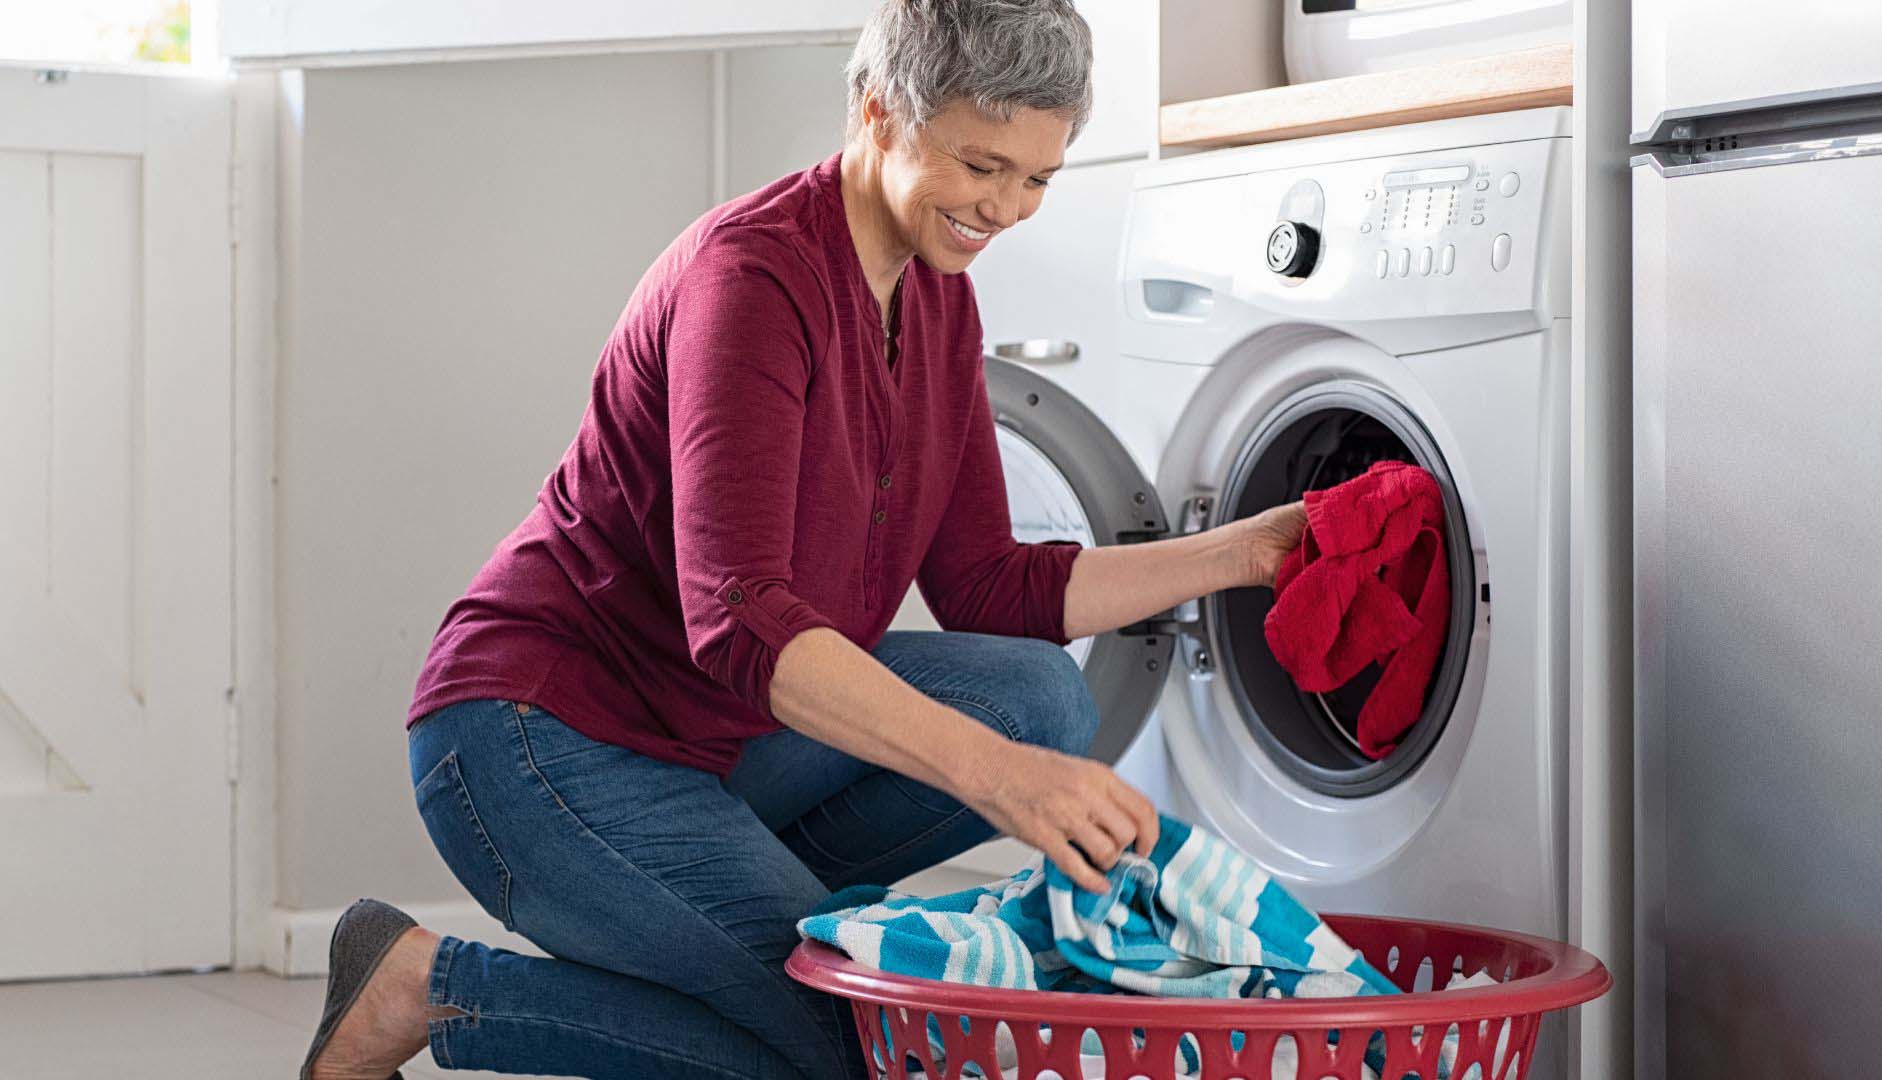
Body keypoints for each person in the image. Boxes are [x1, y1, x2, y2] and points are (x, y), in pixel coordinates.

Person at [299, 1, 1307, 1077]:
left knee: (1043, 701)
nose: (1007, 207)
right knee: (858, 1032)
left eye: (1036, 179)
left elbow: (988, 586)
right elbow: (740, 622)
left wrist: (1244, 555)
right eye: (981, 164)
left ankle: (726, 923)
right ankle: (429, 989)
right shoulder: (753, 280)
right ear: (879, 111)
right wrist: (1003, 782)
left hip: (716, 738)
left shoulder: (936, 297)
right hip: (541, 737)